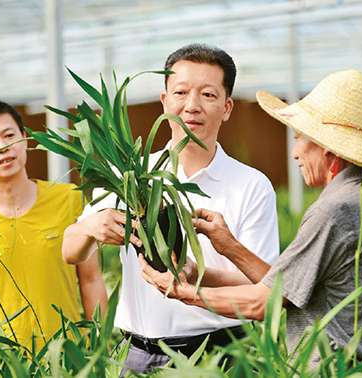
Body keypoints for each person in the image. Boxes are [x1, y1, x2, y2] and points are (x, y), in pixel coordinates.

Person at [141, 69, 362, 366]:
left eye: (298, 138)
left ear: (327, 148)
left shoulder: (334, 211)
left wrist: (182, 292)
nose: (294, 154)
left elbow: (264, 302)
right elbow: (285, 286)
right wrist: (227, 246)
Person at [61, 43, 279, 374]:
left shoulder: (251, 185)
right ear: (165, 101)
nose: (192, 106)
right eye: (180, 92)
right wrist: (90, 227)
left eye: (208, 95)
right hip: (137, 354)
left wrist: (195, 280)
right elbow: (70, 250)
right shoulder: (130, 174)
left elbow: (262, 284)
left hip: (221, 354)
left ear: (227, 107)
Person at [0, 98, 107, 348]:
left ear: (25, 139)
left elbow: (91, 279)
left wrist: (100, 346)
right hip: (1, 364)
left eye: (9, 136)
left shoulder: (70, 198)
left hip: (70, 357)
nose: (2, 147)